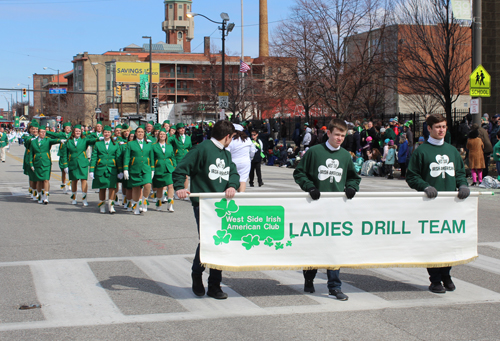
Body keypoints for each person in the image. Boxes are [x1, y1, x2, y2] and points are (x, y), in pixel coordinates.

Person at [293, 118, 361, 301]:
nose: (340, 138)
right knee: (314, 246)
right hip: (315, 208)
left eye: (343, 135)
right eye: (337, 134)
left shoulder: (346, 156)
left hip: (336, 209)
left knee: (334, 247)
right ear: (328, 133)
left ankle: (334, 286)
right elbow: (299, 173)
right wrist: (310, 187)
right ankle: (309, 278)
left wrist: (352, 187)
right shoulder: (315, 152)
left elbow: (354, 177)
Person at [173, 120, 240, 300]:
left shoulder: (225, 154)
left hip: (222, 206)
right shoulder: (201, 149)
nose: (232, 141)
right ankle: (197, 275)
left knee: (220, 241)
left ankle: (214, 284)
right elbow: (180, 169)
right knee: (208, 241)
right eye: (232, 137)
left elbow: (233, 173)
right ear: (227, 136)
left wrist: (232, 185)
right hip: (204, 205)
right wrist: (180, 186)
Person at [406, 113, 470, 294]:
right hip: (430, 206)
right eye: (437, 127)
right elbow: (412, 176)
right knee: (433, 243)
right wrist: (425, 186)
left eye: (443, 126)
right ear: (429, 128)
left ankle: (446, 274)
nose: (441, 130)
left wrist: (463, 184)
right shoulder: (421, 151)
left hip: (450, 206)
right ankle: (434, 279)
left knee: (448, 241)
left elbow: (459, 172)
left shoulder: (452, 151)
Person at [60, 125, 97, 207]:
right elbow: (65, 154)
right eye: (76, 131)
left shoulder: (84, 140)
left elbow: (92, 140)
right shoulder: (68, 141)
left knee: (84, 181)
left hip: (82, 163)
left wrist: (99, 138)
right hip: (73, 163)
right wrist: (65, 165)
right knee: (74, 181)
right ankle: (74, 198)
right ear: (73, 132)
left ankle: (84, 199)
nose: (78, 133)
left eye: (79, 131)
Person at [89, 125, 123, 214]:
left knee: (112, 188)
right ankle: (102, 205)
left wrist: (120, 171)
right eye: (105, 132)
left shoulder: (115, 144)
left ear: (111, 133)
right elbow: (94, 157)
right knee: (102, 188)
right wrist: (92, 170)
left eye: (108, 132)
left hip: (112, 169)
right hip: (101, 168)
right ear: (103, 133)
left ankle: (111, 206)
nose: (107, 134)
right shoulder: (98, 144)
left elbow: (118, 158)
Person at [28, 125, 65, 204]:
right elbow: (31, 153)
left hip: (46, 162)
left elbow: (54, 141)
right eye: (41, 132)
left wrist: (60, 140)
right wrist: (31, 163)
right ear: (38, 133)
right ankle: (40, 196)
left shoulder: (47, 140)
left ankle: (46, 197)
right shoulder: (33, 142)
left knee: (46, 180)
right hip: (37, 162)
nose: (43, 134)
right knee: (39, 181)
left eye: (44, 132)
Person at [123, 125, 154, 215]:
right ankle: (136, 206)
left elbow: (151, 157)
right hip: (134, 168)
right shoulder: (130, 144)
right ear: (136, 134)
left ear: (144, 134)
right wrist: (125, 169)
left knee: (148, 185)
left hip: (146, 168)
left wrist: (152, 169)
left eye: (142, 132)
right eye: (138, 132)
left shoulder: (149, 143)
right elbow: (127, 157)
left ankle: (144, 200)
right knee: (136, 188)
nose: (140, 133)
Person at [152, 128, 176, 212]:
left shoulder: (169, 146)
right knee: (160, 187)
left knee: (170, 185)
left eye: (164, 134)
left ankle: (170, 204)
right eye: (161, 134)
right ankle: (158, 204)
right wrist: (152, 169)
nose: (162, 136)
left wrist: (175, 167)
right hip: (158, 167)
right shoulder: (154, 146)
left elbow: (173, 157)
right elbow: (152, 158)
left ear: (166, 136)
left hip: (168, 168)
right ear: (158, 136)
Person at [227, 124, 255, 192]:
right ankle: (241, 194)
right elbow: (253, 150)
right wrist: (251, 158)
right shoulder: (247, 139)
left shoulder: (231, 140)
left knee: (232, 178)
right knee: (243, 180)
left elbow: (227, 151)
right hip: (245, 162)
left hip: (233, 161)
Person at [47, 122, 72, 193]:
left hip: (70, 154)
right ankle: (63, 185)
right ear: (64, 129)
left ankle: (70, 184)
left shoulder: (72, 135)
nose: (68, 129)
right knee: (63, 171)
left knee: (71, 171)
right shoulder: (61, 134)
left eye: (69, 128)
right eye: (67, 128)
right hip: (63, 154)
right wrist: (46, 132)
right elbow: (54, 134)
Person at [169, 122, 192, 197]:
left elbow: (190, 147)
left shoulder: (188, 138)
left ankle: (185, 191)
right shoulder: (174, 138)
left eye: (183, 128)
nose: (182, 130)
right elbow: (167, 141)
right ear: (177, 130)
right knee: (177, 174)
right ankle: (177, 190)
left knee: (185, 175)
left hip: (186, 158)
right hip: (177, 157)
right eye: (180, 129)